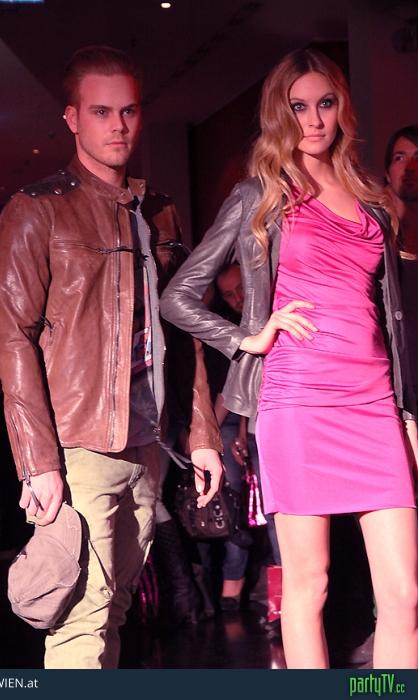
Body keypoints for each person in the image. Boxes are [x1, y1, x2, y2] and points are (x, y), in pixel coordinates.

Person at [161, 48, 418, 669]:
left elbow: (391, 320)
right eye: (299, 106)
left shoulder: (372, 200)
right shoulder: (261, 194)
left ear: (342, 107)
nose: (314, 119)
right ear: (281, 113)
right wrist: (245, 337)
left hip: (374, 402)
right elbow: (178, 296)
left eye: (325, 103)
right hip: (297, 401)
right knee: (308, 589)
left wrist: (406, 410)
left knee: (405, 597)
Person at [0, 45, 223, 669]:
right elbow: (12, 338)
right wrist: (38, 462)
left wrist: (202, 434)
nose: (118, 125)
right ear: (72, 118)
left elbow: (183, 330)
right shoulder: (38, 209)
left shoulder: (158, 211)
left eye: (128, 111)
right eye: (101, 111)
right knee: (80, 621)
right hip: (78, 445)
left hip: (148, 442)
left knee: (114, 609)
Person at [385, 125, 418, 408]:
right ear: (387, 173)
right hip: (395, 389)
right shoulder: (374, 238)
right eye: (400, 157)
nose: (409, 167)